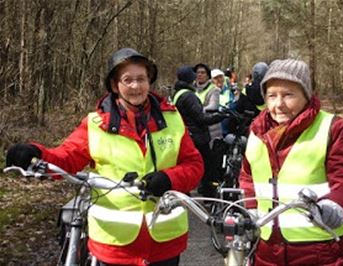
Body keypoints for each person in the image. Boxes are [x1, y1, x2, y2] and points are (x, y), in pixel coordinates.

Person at [6, 48, 204, 265]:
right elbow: (66, 158)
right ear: (114, 85)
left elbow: (194, 165)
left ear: (149, 81)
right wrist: (36, 154)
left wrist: (169, 179)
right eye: (127, 80)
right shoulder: (95, 125)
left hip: (165, 243)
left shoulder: (172, 119)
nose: (136, 86)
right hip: (114, 244)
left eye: (141, 79)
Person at [239, 58, 343, 265]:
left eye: (288, 95)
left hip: (325, 252)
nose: (278, 104)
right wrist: (251, 208)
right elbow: (247, 177)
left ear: (306, 96)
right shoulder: (257, 131)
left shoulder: (332, 128)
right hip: (267, 252)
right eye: (271, 96)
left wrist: (335, 206)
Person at [172, 65, 227, 197]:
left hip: (187, 134)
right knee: (207, 168)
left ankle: (186, 192)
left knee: (188, 166)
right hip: (197, 137)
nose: (198, 75)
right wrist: (220, 116)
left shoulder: (178, 93)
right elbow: (201, 118)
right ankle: (209, 196)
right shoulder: (189, 96)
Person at [193, 63, 222, 144]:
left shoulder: (214, 89)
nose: (200, 75)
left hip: (211, 130)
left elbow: (213, 106)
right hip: (197, 128)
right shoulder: (192, 88)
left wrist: (195, 111)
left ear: (208, 75)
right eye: (198, 72)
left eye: (202, 72)